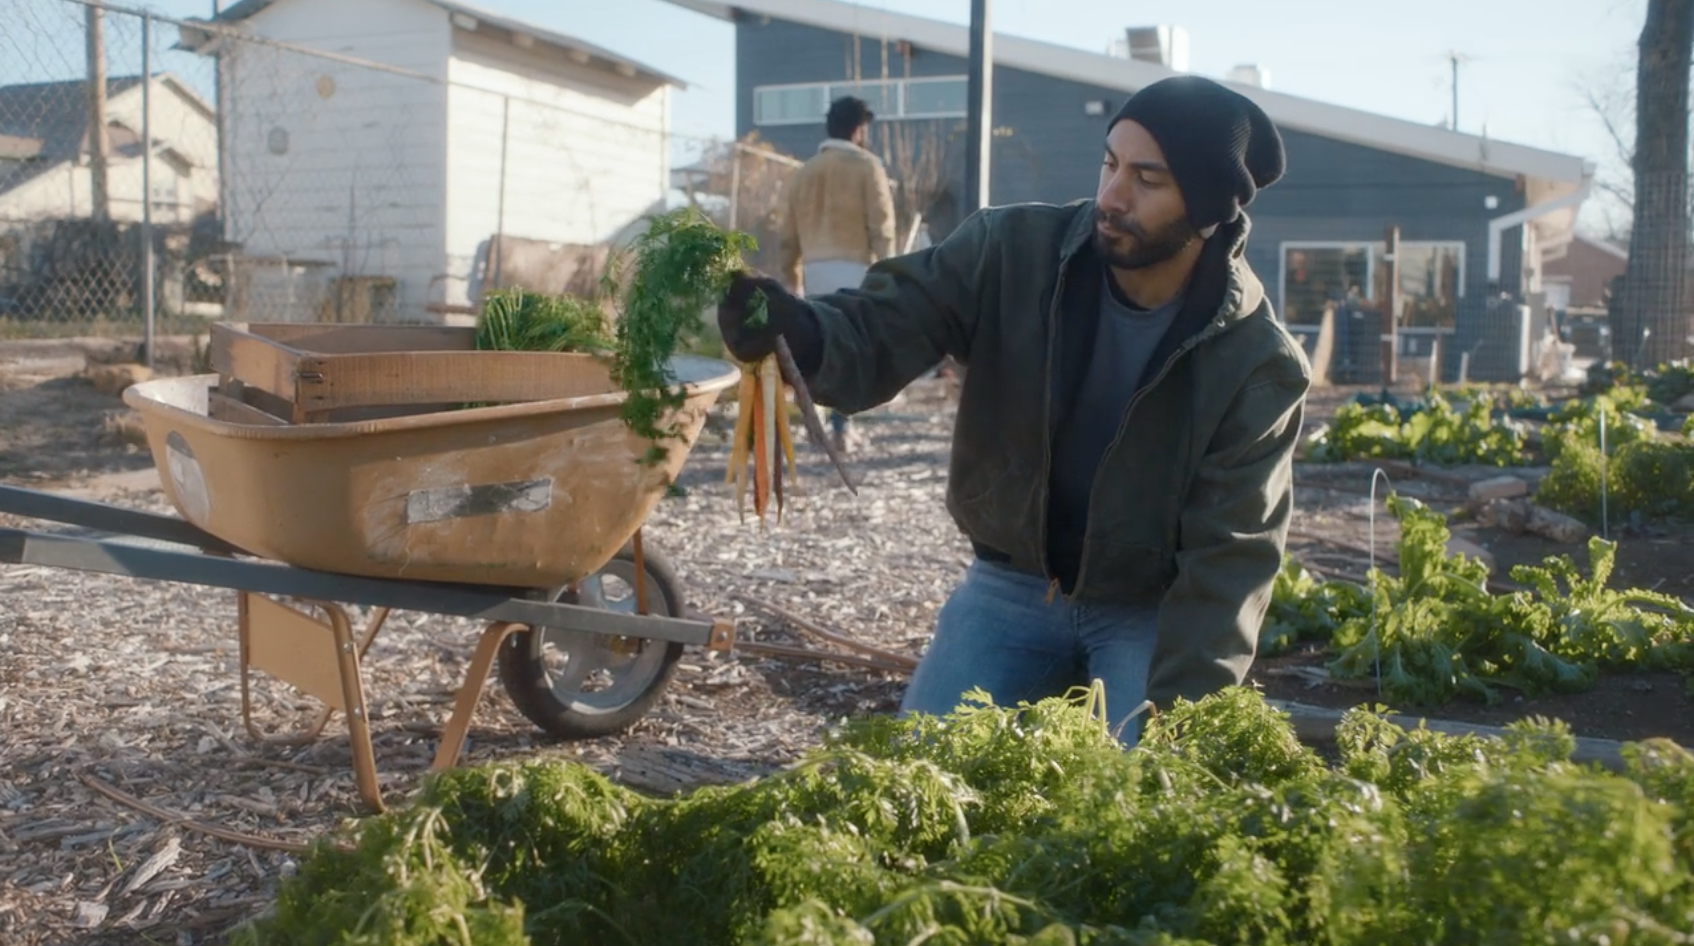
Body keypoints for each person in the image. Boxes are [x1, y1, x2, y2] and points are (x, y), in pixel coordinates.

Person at [718, 76, 1312, 746]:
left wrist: (1177, 735)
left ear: (1205, 209)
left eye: (1147, 180)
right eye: (1110, 164)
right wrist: (809, 335)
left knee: (1140, 785)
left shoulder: (1257, 363)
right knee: (923, 768)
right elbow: (893, 319)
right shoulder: (1013, 250)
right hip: (1012, 584)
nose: (1112, 196)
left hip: (1149, 608)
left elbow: (1230, 559)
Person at [773, 95, 898, 455]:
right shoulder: (867, 166)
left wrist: (790, 276)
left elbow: (786, 235)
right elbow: (881, 225)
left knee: (822, 349)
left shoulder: (804, 172)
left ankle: (823, 425)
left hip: (814, 266)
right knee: (853, 350)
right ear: (858, 129)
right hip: (856, 266)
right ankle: (842, 428)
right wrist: (892, 270)